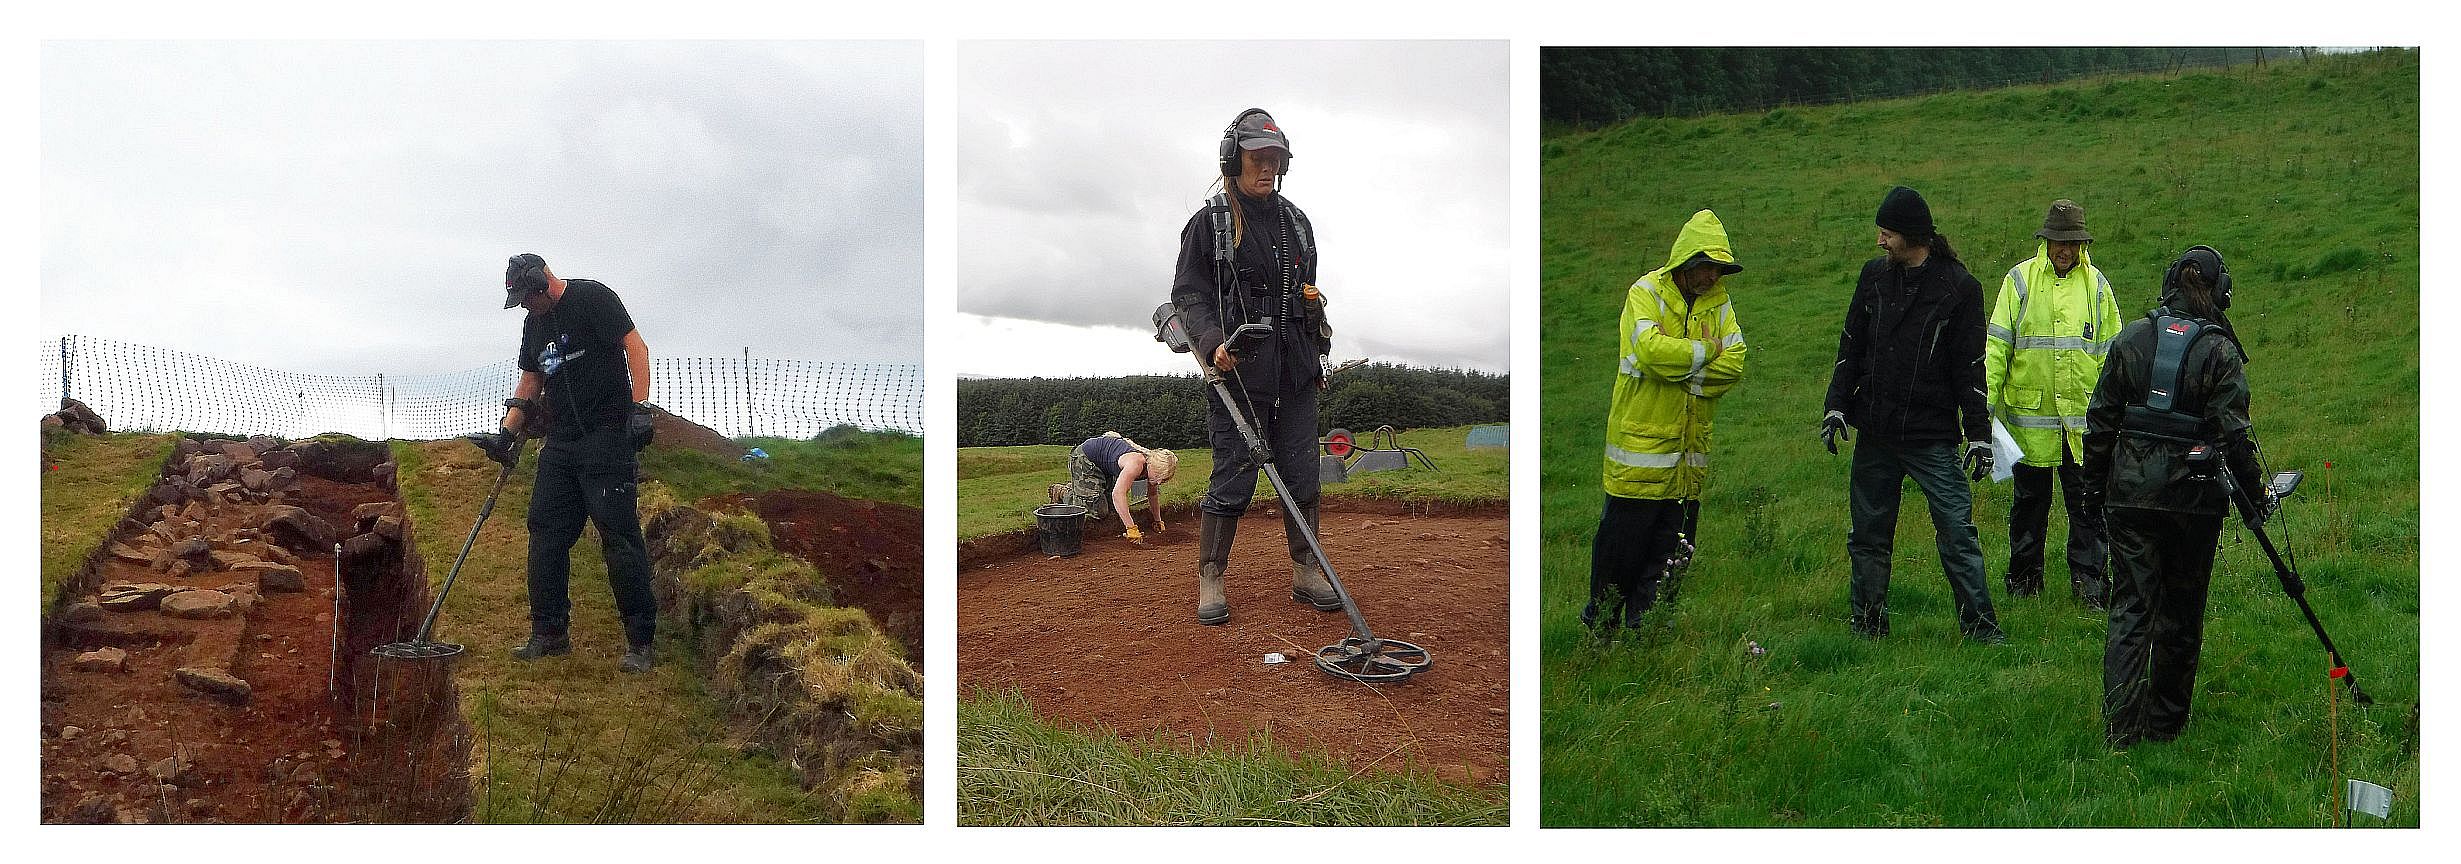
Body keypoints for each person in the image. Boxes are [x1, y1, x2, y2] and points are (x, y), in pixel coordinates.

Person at [2084, 245, 2270, 747]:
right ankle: (2166, 726)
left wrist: (2093, 490)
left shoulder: (2131, 338)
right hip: (2194, 498)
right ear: (2221, 293)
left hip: (2129, 497)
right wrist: (2259, 495)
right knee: (2181, 611)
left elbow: (2100, 422)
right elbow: (2233, 432)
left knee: (2130, 609)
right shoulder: (2219, 351)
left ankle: (2120, 730)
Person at [1168, 108, 1335, 626]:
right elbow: (1189, 296)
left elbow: (1304, 289)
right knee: (1234, 475)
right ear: (1232, 160)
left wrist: (1314, 310)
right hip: (1238, 370)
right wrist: (1215, 343)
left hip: (1296, 369)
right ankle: (1211, 576)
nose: (1267, 169)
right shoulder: (1210, 224)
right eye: (1257, 158)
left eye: (1275, 160)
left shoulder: (1297, 224)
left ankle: (1306, 570)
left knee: (1303, 471)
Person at [1819, 186, 2004, 642]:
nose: (1880, 242)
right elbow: (1851, 345)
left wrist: (1979, 436)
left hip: (1932, 438)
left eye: (1887, 234)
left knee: (1958, 535)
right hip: (1876, 435)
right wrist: (1836, 408)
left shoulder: (1960, 288)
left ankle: (1981, 630)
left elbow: (1971, 368)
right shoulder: (1872, 278)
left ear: (1912, 236)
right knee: (1867, 536)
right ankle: (1867, 627)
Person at [476, 253, 662, 673]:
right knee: (544, 532)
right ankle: (549, 633)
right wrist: (505, 433)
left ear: (544, 281)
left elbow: (636, 347)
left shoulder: (593, 299)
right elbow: (531, 380)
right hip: (561, 446)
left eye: (527, 297)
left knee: (619, 538)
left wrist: (640, 408)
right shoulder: (534, 324)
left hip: (606, 440)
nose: (525, 306)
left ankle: (641, 641)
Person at [1583, 209, 1747, 631]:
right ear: (1686, 261)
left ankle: (1649, 630)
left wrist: (1683, 374)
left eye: (1719, 269)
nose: (1713, 277)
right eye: (1707, 267)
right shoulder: (1645, 293)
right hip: (1639, 456)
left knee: (1673, 552)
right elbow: (1651, 353)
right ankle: (1601, 627)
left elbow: (1737, 364)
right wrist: (1706, 352)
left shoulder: (1721, 303)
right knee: (1620, 550)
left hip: (1689, 461)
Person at [1984, 199, 2124, 608]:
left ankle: (2091, 587)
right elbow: (1996, 347)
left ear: (2082, 244)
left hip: (2083, 430)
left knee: (2088, 510)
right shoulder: (2020, 281)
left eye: (2072, 242)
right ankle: (2024, 585)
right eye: (2058, 241)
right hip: (2030, 428)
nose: (2064, 249)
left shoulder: (2096, 285)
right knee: (2029, 507)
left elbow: (2114, 356)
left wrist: (2116, 415)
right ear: (2045, 241)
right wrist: (1983, 411)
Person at [1048, 432, 1178, 544]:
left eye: (1163, 479)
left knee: (1113, 510)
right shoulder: (1136, 464)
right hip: (1085, 459)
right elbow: (1118, 494)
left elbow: (1152, 495)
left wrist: (1158, 520)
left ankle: (1083, 490)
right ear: (1153, 465)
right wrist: (1131, 528)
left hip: (1104, 467)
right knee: (1098, 510)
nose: (1159, 481)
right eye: (1159, 476)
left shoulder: (1152, 471)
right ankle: (1063, 492)